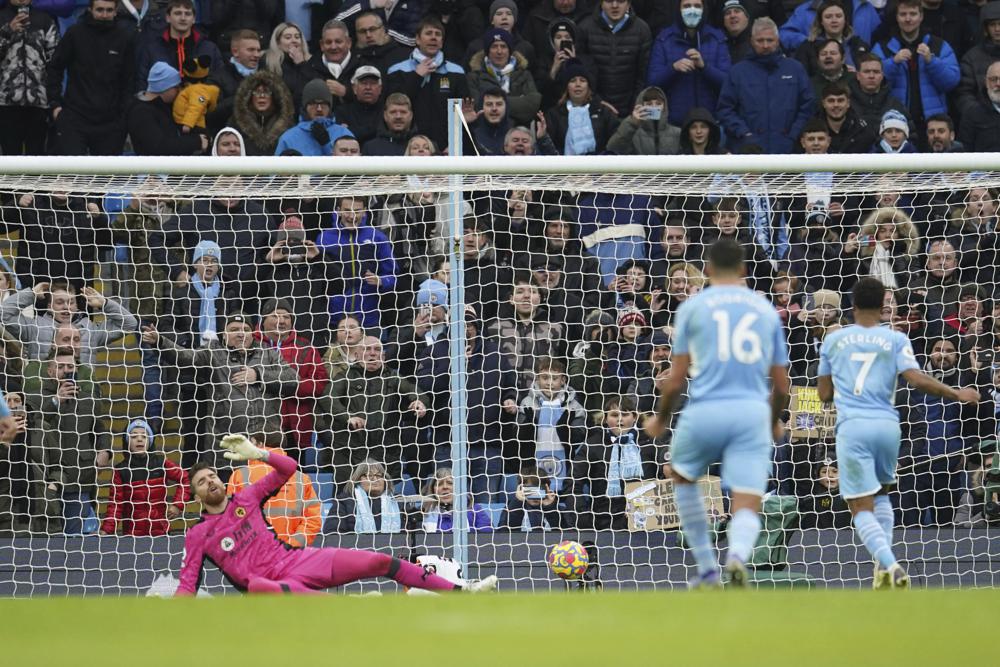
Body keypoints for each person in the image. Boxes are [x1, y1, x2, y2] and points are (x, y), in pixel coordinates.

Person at [176, 435, 498, 594]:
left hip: (297, 560)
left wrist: (260, 453)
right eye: (202, 482)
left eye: (213, 476)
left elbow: (289, 468)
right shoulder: (198, 534)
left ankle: (461, 591)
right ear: (195, 495)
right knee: (259, 586)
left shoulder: (245, 496)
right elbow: (188, 585)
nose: (211, 482)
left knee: (379, 561)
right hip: (269, 586)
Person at [816, 276, 980, 588]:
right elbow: (916, 379)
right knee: (881, 496)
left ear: (851, 307)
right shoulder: (895, 339)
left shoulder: (834, 340)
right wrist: (957, 392)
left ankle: (890, 565)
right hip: (888, 426)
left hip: (854, 427)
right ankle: (882, 569)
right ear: (883, 307)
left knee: (859, 506)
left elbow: (824, 394)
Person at [645, 238, 790, 587]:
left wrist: (661, 419)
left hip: (706, 409)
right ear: (743, 270)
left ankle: (709, 568)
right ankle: (738, 556)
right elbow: (782, 384)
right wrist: (773, 421)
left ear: (706, 270)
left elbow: (676, 378)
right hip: (751, 412)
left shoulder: (693, 309)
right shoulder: (764, 310)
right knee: (747, 497)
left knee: (680, 477)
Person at [45, 0, 137, 155]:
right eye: (100, 10)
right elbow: (55, 68)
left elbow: (129, 79)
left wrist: (123, 115)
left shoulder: (125, 37)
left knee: (106, 178)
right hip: (74, 117)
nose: (104, 14)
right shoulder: (75, 33)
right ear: (90, 10)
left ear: (115, 11)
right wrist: (55, 105)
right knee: (73, 175)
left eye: (109, 10)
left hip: (111, 122)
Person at [716, 17, 815, 154]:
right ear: (752, 41)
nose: (765, 45)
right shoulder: (737, 72)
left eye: (770, 40)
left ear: (778, 41)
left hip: (789, 150)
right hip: (748, 151)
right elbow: (725, 109)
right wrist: (744, 133)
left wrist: (794, 135)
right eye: (760, 40)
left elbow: (807, 106)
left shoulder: (795, 69)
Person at [872, 0, 959, 134]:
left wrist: (932, 62)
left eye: (913, 14)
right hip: (896, 123)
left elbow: (951, 81)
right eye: (903, 14)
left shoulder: (938, 45)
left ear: (921, 16)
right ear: (897, 17)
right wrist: (893, 63)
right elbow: (872, 83)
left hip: (932, 124)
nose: (908, 19)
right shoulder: (882, 47)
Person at [385, 16, 469, 150]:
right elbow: (395, 108)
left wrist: (453, 146)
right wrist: (416, 76)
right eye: (428, 33)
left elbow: (462, 114)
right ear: (417, 39)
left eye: (438, 34)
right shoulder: (397, 70)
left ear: (442, 42)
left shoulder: (456, 72)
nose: (433, 38)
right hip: (407, 147)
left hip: (446, 149)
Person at [226, 434, 321, 547]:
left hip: (252, 554)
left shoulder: (239, 476)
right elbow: (312, 521)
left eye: (250, 443)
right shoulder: (301, 478)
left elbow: (230, 520)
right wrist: (291, 546)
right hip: (291, 558)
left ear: (259, 444)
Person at [646, 0, 731, 126]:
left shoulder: (716, 39)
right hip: (674, 123)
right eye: (686, 6)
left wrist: (704, 67)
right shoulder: (664, 39)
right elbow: (652, 82)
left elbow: (728, 83)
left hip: (710, 122)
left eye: (697, 6)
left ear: (704, 9)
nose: (692, 10)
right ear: (678, 10)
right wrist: (673, 68)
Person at [100, 419, 188, 536]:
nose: (140, 439)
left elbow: (185, 478)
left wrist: (178, 504)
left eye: (144, 436)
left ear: (150, 441)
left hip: (161, 533)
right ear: (127, 442)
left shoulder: (161, 463)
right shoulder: (121, 470)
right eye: (134, 436)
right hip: (132, 535)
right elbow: (115, 505)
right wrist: (106, 530)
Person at [0, 0, 59, 155]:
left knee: (37, 156)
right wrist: (7, 31)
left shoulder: (45, 20)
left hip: (38, 102)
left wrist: (53, 98)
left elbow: (55, 63)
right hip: (5, 102)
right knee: (10, 158)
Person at [576, 0, 652, 117]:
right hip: (593, 109)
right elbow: (581, 72)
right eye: (609, 1)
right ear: (601, 2)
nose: (615, 6)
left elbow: (643, 75)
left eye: (621, 1)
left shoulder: (642, 29)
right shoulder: (585, 28)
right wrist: (596, 101)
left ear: (629, 3)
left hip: (630, 110)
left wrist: (634, 106)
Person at [135, 0, 221, 90]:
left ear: (194, 19)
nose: (183, 18)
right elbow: (142, 85)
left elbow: (218, 83)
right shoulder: (152, 49)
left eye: (187, 14)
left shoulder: (209, 48)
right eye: (177, 13)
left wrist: (201, 100)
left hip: (199, 101)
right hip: (159, 103)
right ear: (168, 17)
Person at [127, 62, 209, 155]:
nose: (179, 91)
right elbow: (159, 146)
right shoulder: (141, 113)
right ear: (164, 87)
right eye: (176, 87)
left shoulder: (165, 105)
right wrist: (196, 142)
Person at [466, 28, 541, 127]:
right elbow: (477, 106)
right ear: (487, 51)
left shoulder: (524, 74)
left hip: (516, 133)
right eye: (494, 46)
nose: (499, 51)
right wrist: (517, 101)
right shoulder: (474, 77)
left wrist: (492, 103)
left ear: (509, 51)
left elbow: (532, 104)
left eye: (503, 46)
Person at [274, 78, 354, 156]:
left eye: (323, 104)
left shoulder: (343, 134)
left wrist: (327, 146)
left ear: (330, 107)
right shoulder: (288, 138)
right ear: (305, 107)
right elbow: (276, 168)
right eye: (313, 104)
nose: (319, 109)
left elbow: (352, 166)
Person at [324, 459, 404, 534]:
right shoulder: (344, 501)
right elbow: (332, 533)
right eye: (369, 475)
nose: (375, 479)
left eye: (379, 475)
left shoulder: (398, 501)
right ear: (358, 479)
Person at [229, 70, 296, 155]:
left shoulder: (288, 127)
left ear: (275, 96)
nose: (262, 96)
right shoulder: (235, 123)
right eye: (257, 92)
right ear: (249, 96)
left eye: (267, 92)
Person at [955, 0, 1000, 118]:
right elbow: (964, 94)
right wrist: (979, 115)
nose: (997, 29)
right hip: (982, 123)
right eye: (992, 24)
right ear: (985, 28)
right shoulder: (972, 57)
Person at [607, 86, 682, 155]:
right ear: (641, 106)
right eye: (649, 104)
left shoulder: (677, 133)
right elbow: (613, 149)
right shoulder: (631, 131)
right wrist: (632, 122)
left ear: (664, 107)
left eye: (658, 103)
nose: (654, 107)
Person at [957, 60, 1000, 151]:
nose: (998, 84)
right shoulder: (971, 114)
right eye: (993, 79)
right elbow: (964, 153)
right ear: (986, 82)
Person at [361, 91, 416, 156]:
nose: (398, 116)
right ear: (385, 115)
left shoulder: (424, 147)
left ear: (411, 115)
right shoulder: (370, 148)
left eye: (403, 112)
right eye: (393, 112)